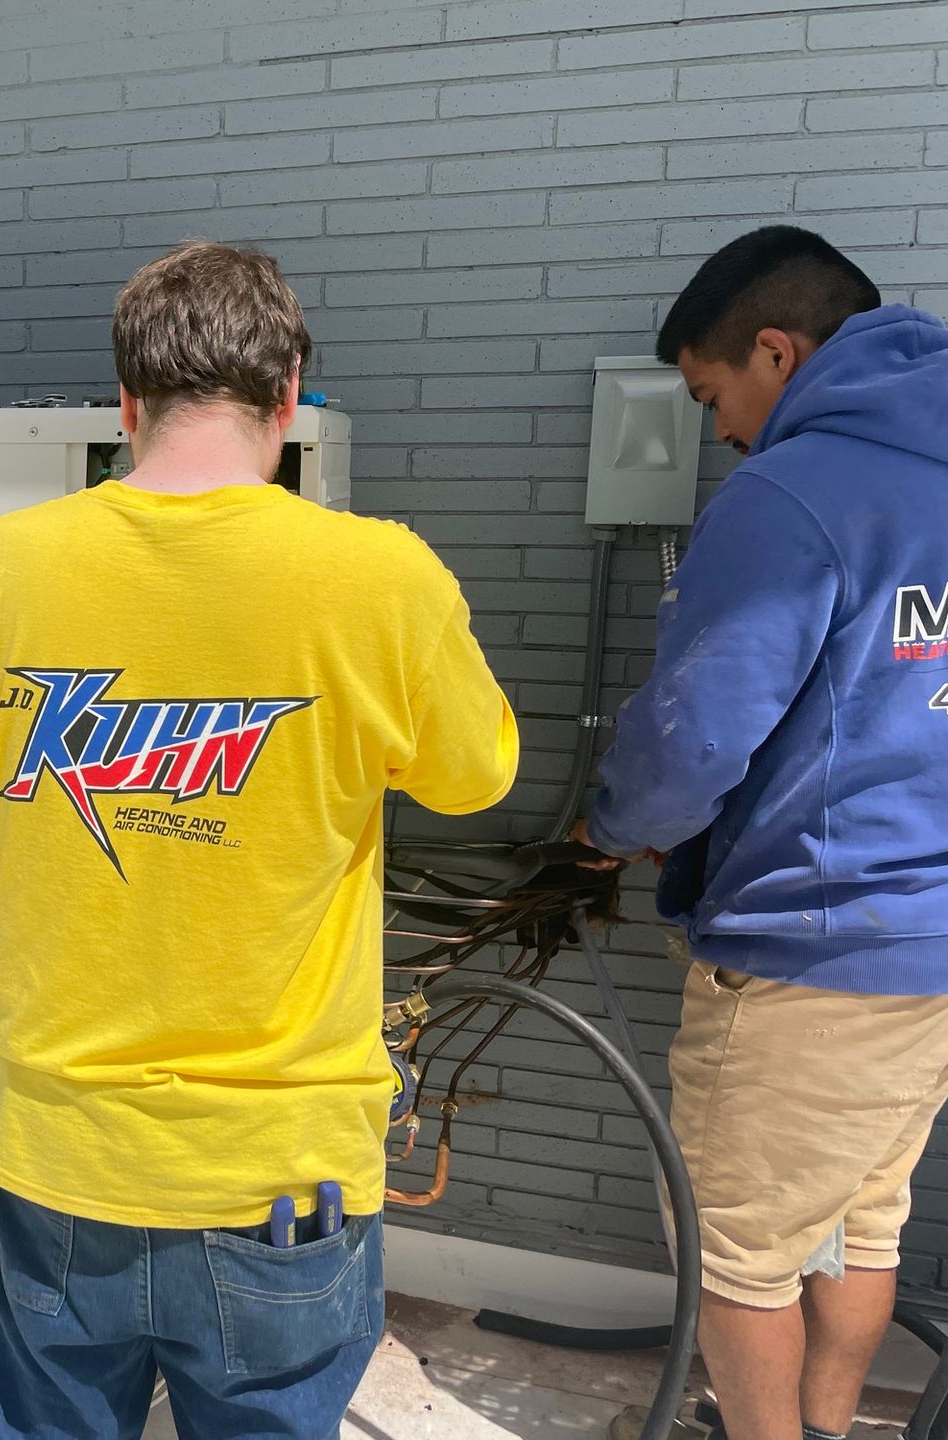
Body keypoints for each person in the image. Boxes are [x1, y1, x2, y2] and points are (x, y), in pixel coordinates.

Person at [0, 241, 519, 1438]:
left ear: (126, 403)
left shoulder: (9, 561)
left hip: (58, 1162)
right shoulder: (379, 577)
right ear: (288, 397)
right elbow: (475, 778)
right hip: (281, 1174)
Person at [576, 227, 948, 1440]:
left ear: (775, 351)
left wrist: (614, 825)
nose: (721, 430)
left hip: (808, 953)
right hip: (931, 954)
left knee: (738, 1255)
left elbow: (691, 739)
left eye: (712, 395)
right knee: (861, 1221)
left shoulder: (790, 495)